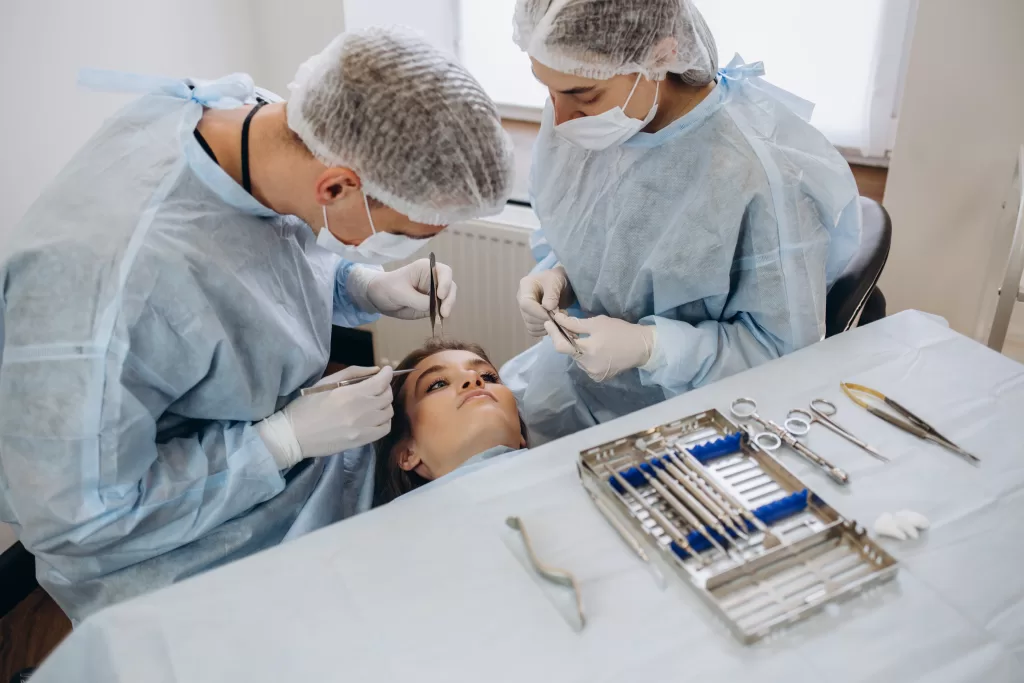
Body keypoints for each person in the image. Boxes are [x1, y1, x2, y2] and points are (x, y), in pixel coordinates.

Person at [0, 27, 513, 622]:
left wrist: (361, 285)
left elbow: (259, 271)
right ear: (339, 185)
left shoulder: (269, 128)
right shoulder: (105, 286)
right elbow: (81, 519)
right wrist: (277, 444)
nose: (475, 385)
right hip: (161, 553)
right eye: (410, 232)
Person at [502, 0, 863, 443]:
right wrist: (560, 273)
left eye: (582, 95)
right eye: (547, 90)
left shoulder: (760, 178)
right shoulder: (584, 115)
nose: (559, 118)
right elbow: (598, 233)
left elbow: (780, 357)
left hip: (695, 423)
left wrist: (652, 349)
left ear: (659, 57)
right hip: (573, 392)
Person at [373, 339, 528, 506]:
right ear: (407, 454)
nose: (473, 377)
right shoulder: (399, 529)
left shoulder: (559, 470)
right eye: (438, 384)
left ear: (520, 432)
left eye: (488, 377)